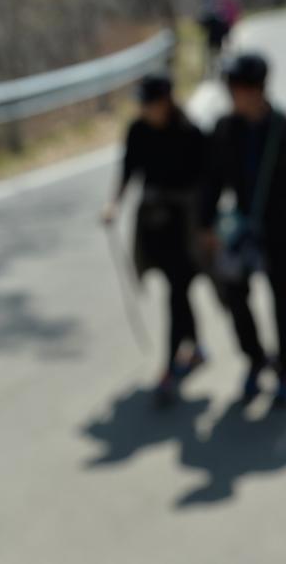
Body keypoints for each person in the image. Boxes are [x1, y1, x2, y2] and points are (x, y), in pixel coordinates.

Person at [200, 53, 286, 408]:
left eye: (236, 88)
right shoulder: (224, 128)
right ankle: (254, 359)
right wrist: (206, 224)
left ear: (256, 89)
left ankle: (284, 365)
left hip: (281, 229)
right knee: (235, 297)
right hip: (240, 229)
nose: (232, 95)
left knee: (285, 298)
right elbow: (212, 179)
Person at [102, 74, 207, 402]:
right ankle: (195, 347)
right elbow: (129, 169)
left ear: (166, 100)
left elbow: (207, 181)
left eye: (150, 102)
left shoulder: (191, 133)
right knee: (177, 289)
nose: (146, 109)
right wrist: (114, 204)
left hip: (185, 225)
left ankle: (170, 366)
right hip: (152, 224)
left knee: (178, 290)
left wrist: (207, 224)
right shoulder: (138, 130)